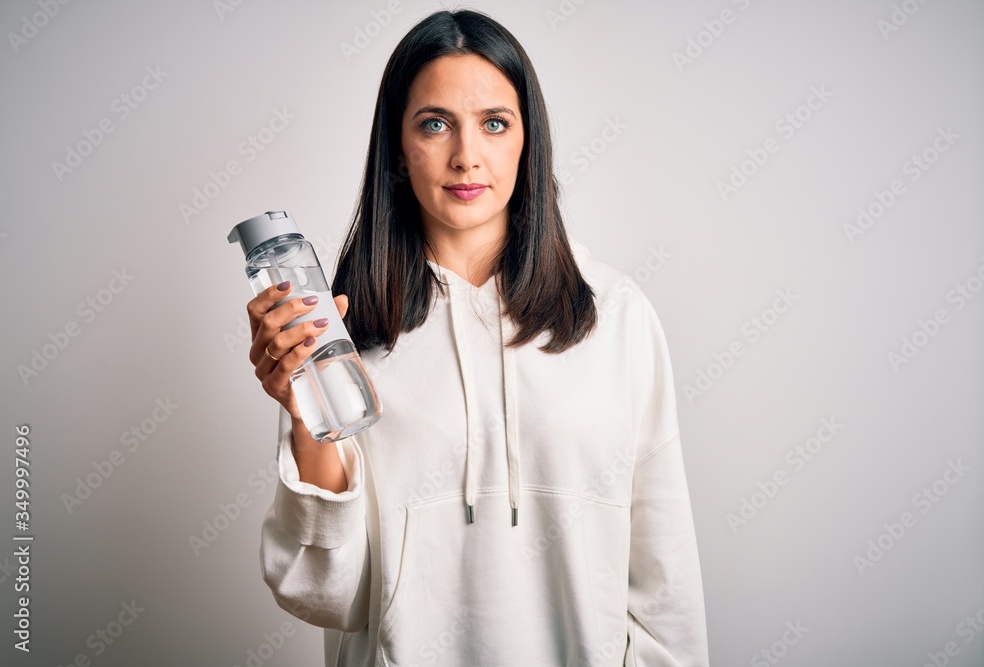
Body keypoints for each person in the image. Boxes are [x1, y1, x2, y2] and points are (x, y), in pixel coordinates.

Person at [246, 8, 709, 666]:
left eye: (495, 123)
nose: (467, 156)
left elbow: (668, 580)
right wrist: (304, 413)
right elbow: (328, 594)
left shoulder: (617, 316)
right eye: (434, 124)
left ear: (528, 139)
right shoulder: (344, 337)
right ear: (399, 149)